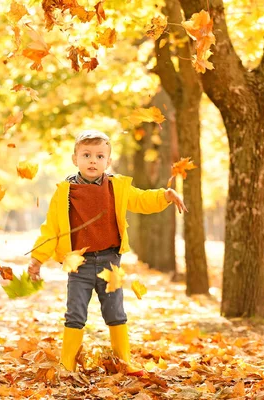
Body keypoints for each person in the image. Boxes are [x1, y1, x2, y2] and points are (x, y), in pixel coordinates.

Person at [27, 130, 187, 376]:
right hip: (78, 263)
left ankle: (123, 362)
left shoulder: (116, 187)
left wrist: (164, 195)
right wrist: (37, 259)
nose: (93, 161)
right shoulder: (65, 192)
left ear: (108, 161)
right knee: (75, 314)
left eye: (100, 156)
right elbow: (52, 229)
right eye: (87, 155)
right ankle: (66, 364)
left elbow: (141, 199)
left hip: (109, 261)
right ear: (75, 159)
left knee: (115, 312)